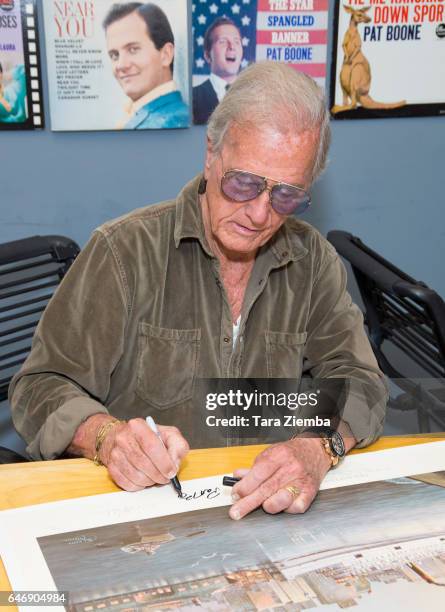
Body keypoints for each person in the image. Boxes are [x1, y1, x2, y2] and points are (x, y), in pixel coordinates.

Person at [10, 62, 387, 520]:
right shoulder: (124, 252)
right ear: (211, 154)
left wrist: (316, 447)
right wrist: (106, 438)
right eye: (244, 183)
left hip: (265, 510)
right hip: (140, 515)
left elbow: (361, 380)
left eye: (287, 196)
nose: (259, 214)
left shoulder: (313, 263)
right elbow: (40, 386)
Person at [103, 2, 189, 129]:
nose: (120, 65)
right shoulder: (140, 116)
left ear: (166, 54)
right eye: (115, 55)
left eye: (133, 49)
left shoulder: (173, 121)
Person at [193, 17, 243, 125]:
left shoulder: (255, 97)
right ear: (207, 55)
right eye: (223, 41)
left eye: (236, 42)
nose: (232, 47)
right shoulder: (193, 97)